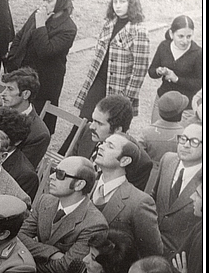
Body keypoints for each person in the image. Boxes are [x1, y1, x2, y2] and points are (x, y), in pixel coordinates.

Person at [18, 155, 108, 273]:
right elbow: (18, 235)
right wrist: (52, 253)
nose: (51, 177)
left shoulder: (94, 225)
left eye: (60, 174)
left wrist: (22, 262)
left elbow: (65, 269)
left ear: (79, 184)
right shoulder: (45, 200)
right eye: (54, 171)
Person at [74, 0, 151, 126]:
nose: (118, 5)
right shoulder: (109, 24)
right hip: (98, 81)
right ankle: (72, 148)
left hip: (118, 89)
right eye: (115, 2)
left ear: (131, 4)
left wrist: (126, 99)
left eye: (122, 1)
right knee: (84, 120)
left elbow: (139, 70)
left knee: (108, 127)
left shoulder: (139, 31)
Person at [6, 0, 77, 115]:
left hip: (45, 82)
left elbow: (45, 51)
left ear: (60, 2)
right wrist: (12, 59)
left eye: (49, 0)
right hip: (24, 75)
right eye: (43, 0)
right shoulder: (37, 14)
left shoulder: (68, 28)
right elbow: (20, 37)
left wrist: (40, 25)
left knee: (38, 119)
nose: (44, 4)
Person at [91, 133, 162, 258]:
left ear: (124, 160)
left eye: (110, 146)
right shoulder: (88, 183)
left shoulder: (139, 203)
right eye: (103, 143)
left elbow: (152, 252)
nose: (101, 147)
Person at [154, 123, 203, 257]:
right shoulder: (167, 159)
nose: (186, 145)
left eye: (194, 142)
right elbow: (153, 197)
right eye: (183, 138)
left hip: (179, 258)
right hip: (150, 247)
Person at [87, 94, 154, 191]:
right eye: (93, 120)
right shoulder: (88, 133)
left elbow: (125, 201)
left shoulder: (140, 163)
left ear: (118, 130)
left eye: (99, 123)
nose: (91, 127)